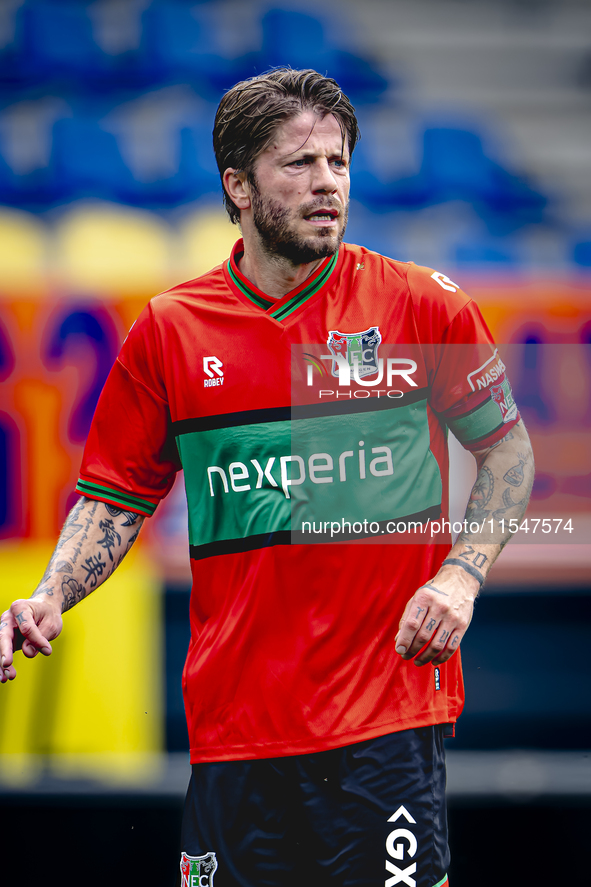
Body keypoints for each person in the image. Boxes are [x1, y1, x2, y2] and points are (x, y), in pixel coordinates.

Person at [0, 68, 533, 887]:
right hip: (236, 738)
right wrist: (51, 594)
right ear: (238, 186)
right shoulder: (170, 331)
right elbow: (115, 496)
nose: (327, 183)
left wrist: (461, 574)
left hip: (384, 727)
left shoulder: (422, 307)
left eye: (339, 162)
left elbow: (507, 450)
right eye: (300, 164)